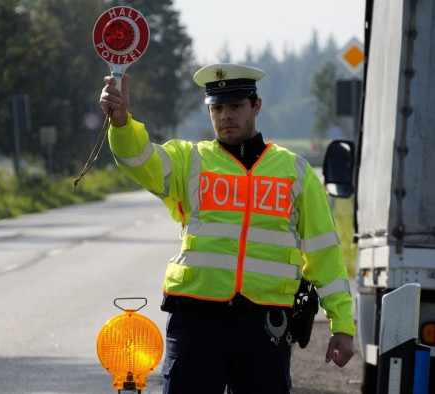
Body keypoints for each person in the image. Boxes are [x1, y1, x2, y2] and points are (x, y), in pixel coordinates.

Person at [98, 63, 355, 393]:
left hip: (265, 328)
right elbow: (139, 159)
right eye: (217, 108)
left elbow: (324, 254)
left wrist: (342, 324)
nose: (225, 116)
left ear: (256, 106)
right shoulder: (189, 160)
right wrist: (121, 124)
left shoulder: (294, 171)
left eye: (235, 106)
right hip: (196, 322)